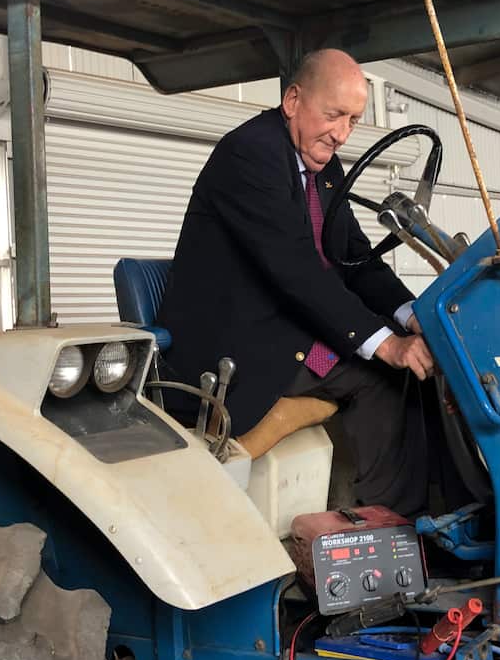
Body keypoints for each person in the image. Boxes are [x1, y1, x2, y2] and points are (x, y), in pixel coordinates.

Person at [155, 49, 436, 514]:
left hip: (289, 330)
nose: (342, 134)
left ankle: (389, 520)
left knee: (407, 374)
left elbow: (355, 260)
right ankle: (391, 522)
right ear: (292, 100)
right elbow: (297, 271)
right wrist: (387, 345)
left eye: (353, 120)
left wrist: (414, 316)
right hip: (239, 346)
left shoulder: (325, 170)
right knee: (383, 377)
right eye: (333, 115)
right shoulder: (250, 155)